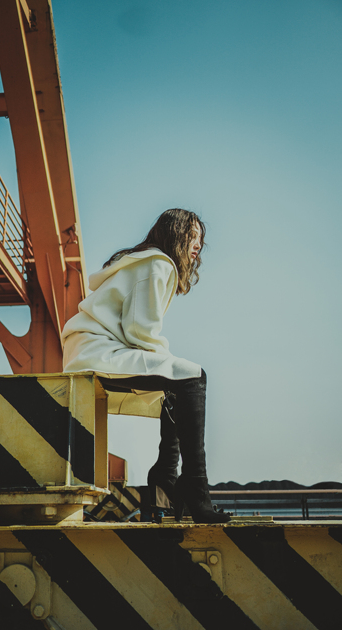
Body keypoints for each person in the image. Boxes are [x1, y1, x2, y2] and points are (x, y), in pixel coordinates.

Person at [62, 208, 230, 524]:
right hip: (100, 351)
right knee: (193, 377)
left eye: (200, 239)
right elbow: (140, 330)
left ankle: (166, 478)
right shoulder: (159, 264)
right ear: (176, 234)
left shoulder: (145, 261)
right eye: (192, 236)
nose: (198, 244)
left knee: (179, 382)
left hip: (87, 349)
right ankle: (192, 485)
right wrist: (171, 365)